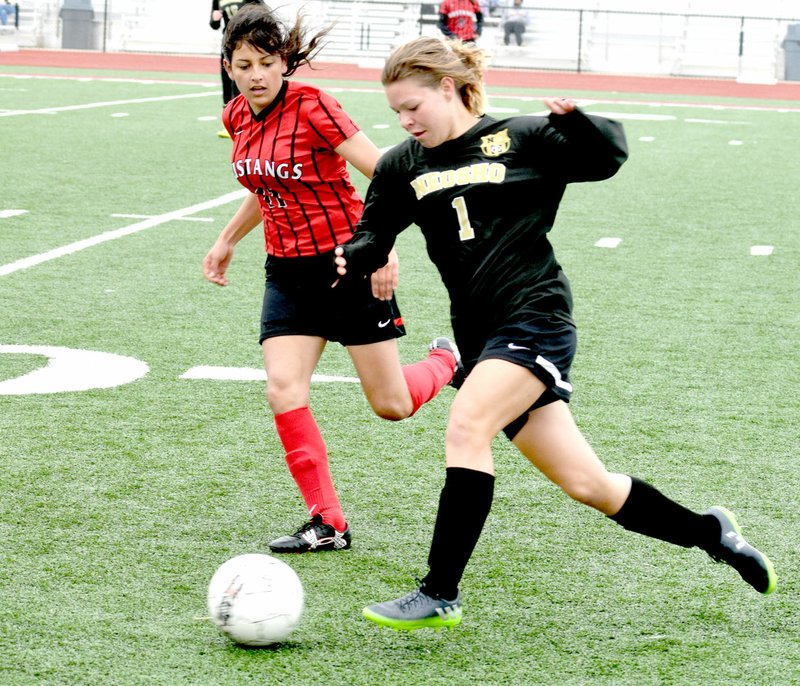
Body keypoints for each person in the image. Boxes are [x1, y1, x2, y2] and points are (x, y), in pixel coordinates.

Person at [333, 36, 777, 630]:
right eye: (395, 113)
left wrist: (583, 124)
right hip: (481, 338)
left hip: (535, 317)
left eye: (413, 106)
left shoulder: (521, 137)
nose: (405, 121)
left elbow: (607, 157)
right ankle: (710, 533)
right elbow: (374, 232)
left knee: (466, 424)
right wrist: (354, 259)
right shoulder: (400, 165)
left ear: (448, 87)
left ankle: (440, 591)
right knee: (589, 483)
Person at [203, 8, 462, 555]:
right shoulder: (235, 117)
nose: (256, 75)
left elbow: (385, 172)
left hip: (348, 265)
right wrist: (228, 239)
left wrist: (383, 243)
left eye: (266, 63)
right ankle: (328, 522)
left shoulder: (314, 105)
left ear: (283, 62)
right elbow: (268, 182)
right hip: (287, 274)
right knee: (282, 388)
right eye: (244, 64)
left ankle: (447, 361)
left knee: (391, 404)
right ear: (229, 66)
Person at [209, 0, 266, 137]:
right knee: (227, 81)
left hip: (246, 44)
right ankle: (229, 122)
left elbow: (264, 12)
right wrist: (214, 19)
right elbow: (214, 24)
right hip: (228, 44)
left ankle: (245, 121)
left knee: (240, 81)